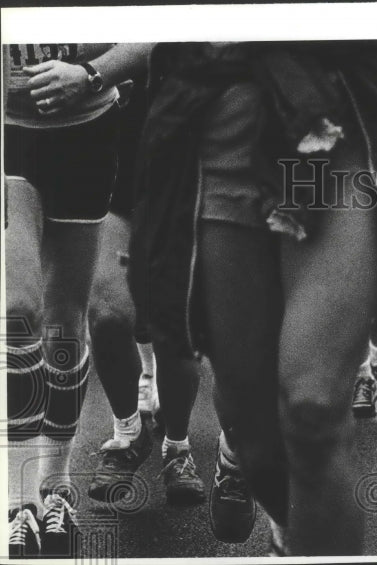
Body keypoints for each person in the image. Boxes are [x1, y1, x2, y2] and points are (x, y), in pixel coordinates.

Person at [131, 40, 377, 555]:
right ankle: (292, 540)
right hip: (225, 127)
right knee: (256, 439)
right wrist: (93, 70)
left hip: (339, 120)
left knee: (312, 412)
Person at [4, 42, 153, 559]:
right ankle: (17, 502)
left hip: (87, 128)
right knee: (16, 310)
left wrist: (90, 74)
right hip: (7, 131)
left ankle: (55, 488)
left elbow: (152, 30)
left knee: (64, 325)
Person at [85, 75, 208, 508]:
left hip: (193, 186)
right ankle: (127, 435)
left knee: (176, 325)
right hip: (121, 183)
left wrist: (95, 70)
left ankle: (178, 448)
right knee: (107, 316)